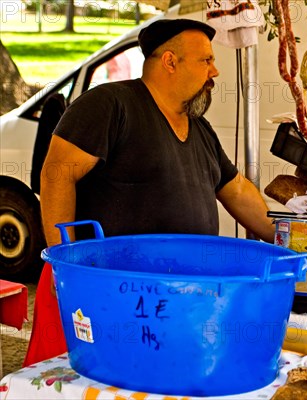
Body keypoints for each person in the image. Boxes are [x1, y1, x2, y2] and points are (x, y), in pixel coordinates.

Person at [23, 19, 276, 366]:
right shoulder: (110, 105)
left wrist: (288, 238)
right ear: (170, 62)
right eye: (206, 61)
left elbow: (238, 191)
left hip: (175, 298)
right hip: (105, 293)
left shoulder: (200, 130)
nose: (215, 71)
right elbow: (55, 175)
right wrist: (65, 262)